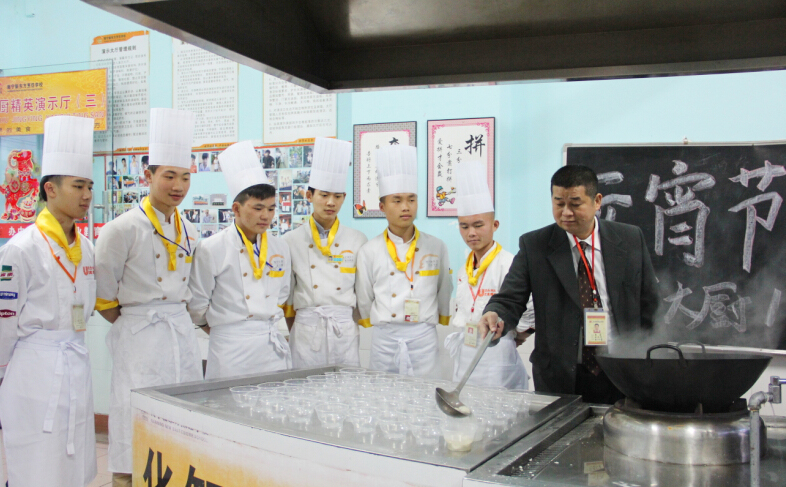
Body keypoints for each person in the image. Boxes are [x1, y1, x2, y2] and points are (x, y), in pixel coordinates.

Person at [479, 165, 659, 404]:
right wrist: (495, 314)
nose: (565, 212)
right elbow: (510, 298)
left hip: (622, 371)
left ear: (597, 201)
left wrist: (649, 361)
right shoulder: (535, 245)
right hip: (560, 374)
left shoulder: (629, 239)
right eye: (558, 203)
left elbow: (651, 303)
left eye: (575, 204)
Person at [95, 108, 202, 486]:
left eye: (185, 177)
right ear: (148, 176)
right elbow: (104, 293)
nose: (178, 185)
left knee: (181, 418)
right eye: (169, 176)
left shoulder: (190, 230)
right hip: (140, 336)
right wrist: (136, 323)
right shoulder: (121, 229)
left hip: (179, 334)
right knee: (133, 416)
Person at [0, 116, 97, 487]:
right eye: (78, 186)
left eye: (89, 186)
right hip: (33, 371)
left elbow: (85, 308)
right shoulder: (21, 249)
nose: (87, 195)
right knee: (37, 462)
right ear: (50, 189)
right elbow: (4, 321)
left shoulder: (86, 248)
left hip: (75, 361)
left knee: (73, 462)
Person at [189, 141, 292, 378]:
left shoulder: (280, 247)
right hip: (229, 348)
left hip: (269, 345)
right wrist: (227, 331)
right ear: (236, 208)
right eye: (258, 208)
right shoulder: (211, 248)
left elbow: (282, 293)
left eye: (271, 209)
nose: (266, 216)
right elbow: (197, 305)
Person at [356, 145, 452, 377]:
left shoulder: (436, 246)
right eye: (397, 201)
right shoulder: (369, 250)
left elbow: (444, 288)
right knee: (383, 392)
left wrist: (443, 315)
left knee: (426, 391)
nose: (406, 207)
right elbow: (364, 295)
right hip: (385, 338)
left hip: (423, 336)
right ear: (382, 207)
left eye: (411, 199)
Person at [444, 161, 532, 390]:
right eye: (464, 226)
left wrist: (514, 335)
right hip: (466, 350)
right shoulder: (465, 267)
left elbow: (530, 309)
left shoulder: (509, 263)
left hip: (496, 353)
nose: (471, 233)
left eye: (478, 225)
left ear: (495, 225)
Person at [283, 138, 368, 368]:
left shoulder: (357, 239)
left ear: (344, 198)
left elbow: (361, 292)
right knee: (305, 385)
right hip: (306, 328)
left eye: (337, 196)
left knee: (346, 384)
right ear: (309, 196)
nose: (331, 202)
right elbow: (288, 295)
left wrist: (352, 324)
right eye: (324, 195)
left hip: (344, 329)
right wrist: (296, 328)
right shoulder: (290, 240)